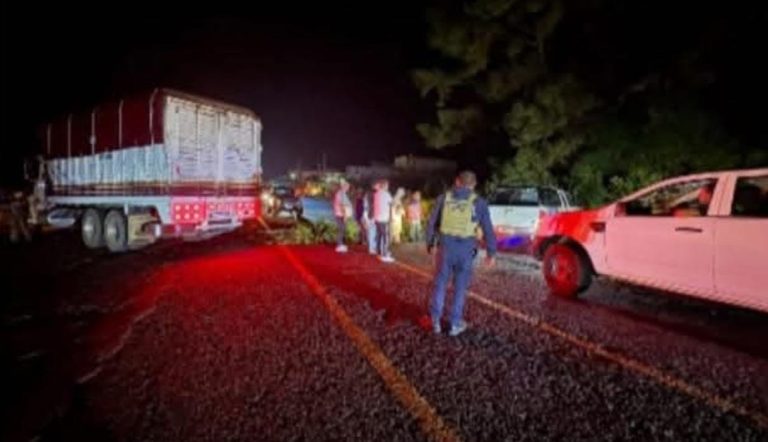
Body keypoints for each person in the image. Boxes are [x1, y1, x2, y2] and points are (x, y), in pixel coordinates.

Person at [426, 171, 496, 336]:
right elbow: (488, 229)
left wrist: (430, 243)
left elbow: (431, 222)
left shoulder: (444, 198)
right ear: (473, 185)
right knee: (460, 288)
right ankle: (455, 324)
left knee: (440, 284)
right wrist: (491, 252)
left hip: (445, 248)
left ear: (457, 182)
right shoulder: (479, 202)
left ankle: (435, 321)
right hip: (465, 250)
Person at [373, 179, 395, 262]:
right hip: (383, 218)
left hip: (377, 218)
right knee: (385, 236)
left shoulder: (377, 194)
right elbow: (392, 203)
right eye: (387, 185)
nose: (388, 187)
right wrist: (399, 195)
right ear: (384, 186)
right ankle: (385, 254)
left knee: (379, 235)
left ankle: (378, 252)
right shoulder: (386, 194)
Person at [332, 180, 353, 253]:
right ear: (344, 186)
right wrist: (345, 215)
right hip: (340, 214)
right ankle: (339, 245)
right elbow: (342, 205)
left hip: (340, 213)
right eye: (347, 187)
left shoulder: (341, 193)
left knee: (342, 229)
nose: (348, 188)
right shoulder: (341, 194)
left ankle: (341, 244)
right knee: (341, 229)